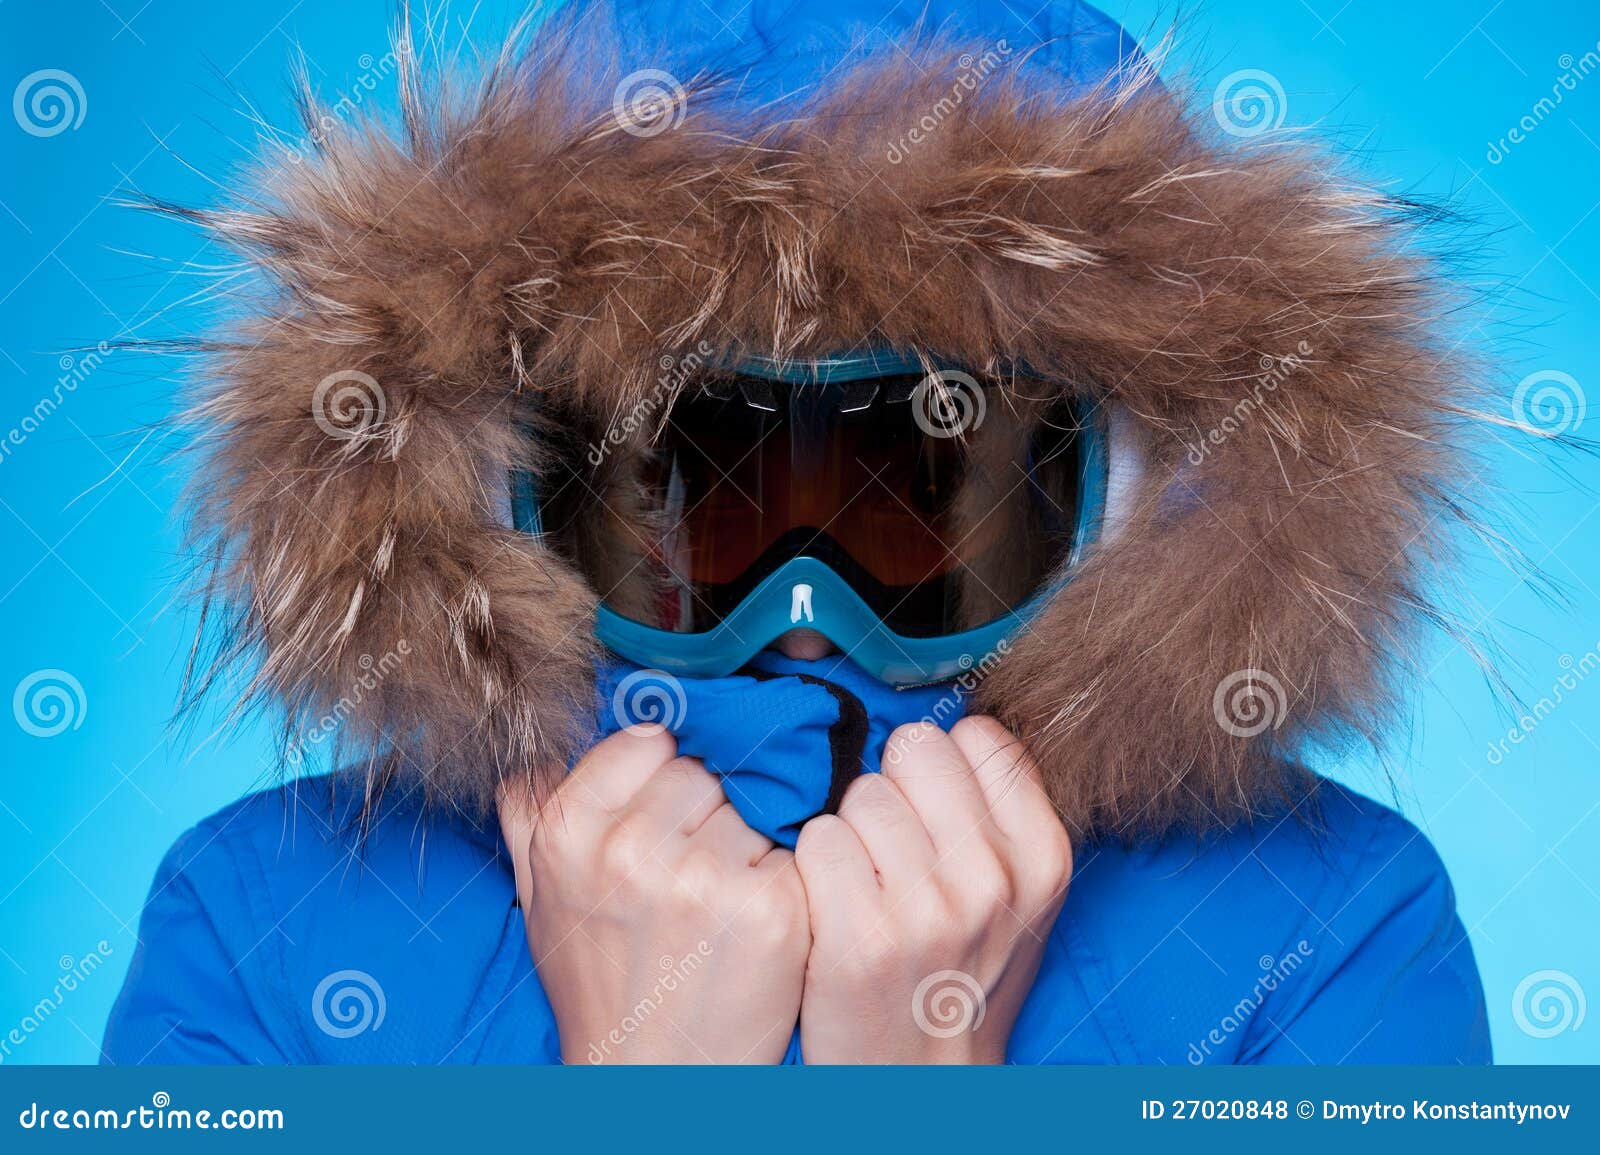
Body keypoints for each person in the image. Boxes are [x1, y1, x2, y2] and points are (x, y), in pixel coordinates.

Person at [103, 0, 1491, 1064]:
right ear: (500, 487)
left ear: (1128, 490)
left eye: (916, 487)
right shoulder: (259, 929)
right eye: (701, 488)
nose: (810, 609)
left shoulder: (1336, 934)